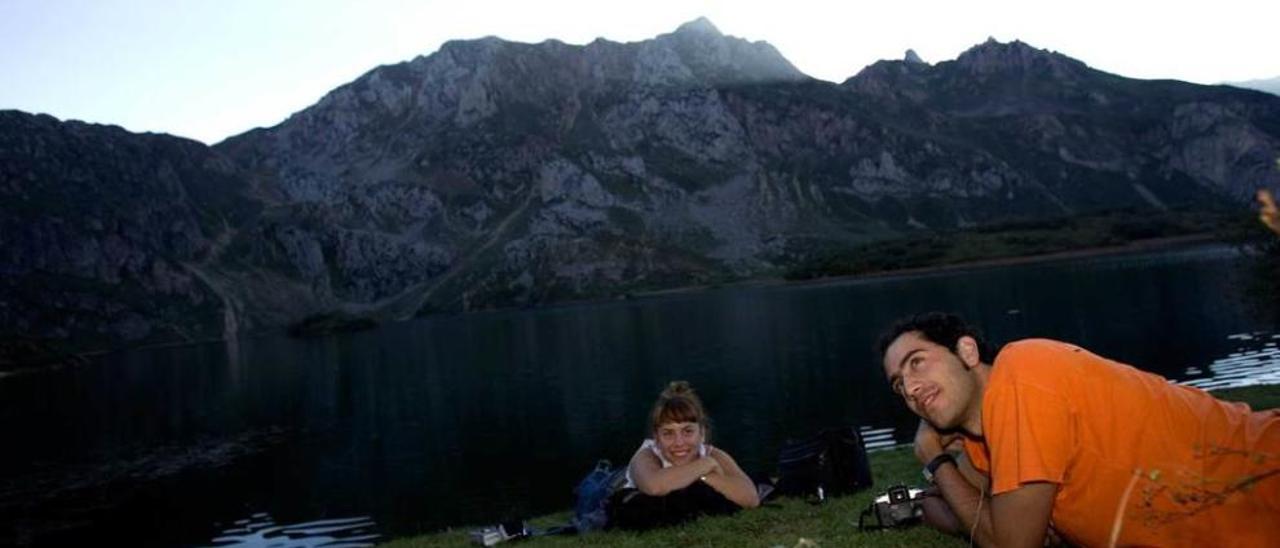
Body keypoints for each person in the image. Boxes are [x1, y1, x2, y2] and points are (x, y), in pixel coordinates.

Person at [876, 312, 1280, 547]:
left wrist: (935, 460)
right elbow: (975, 514)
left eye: (917, 362)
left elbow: (1011, 543)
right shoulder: (985, 443)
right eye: (897, 384)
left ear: (966, 351)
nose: (909, 388)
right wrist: (919, 506)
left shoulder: (1022, 374)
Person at [607, 380, 760, 530]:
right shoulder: (646, 455)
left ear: (702, 433)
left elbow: (751, 498)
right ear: (657, 437)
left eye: (687, 431)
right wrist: (706, 466)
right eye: (668, 433)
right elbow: (653, 486)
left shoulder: (711, 453)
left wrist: (704, 476)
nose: (679, 442)